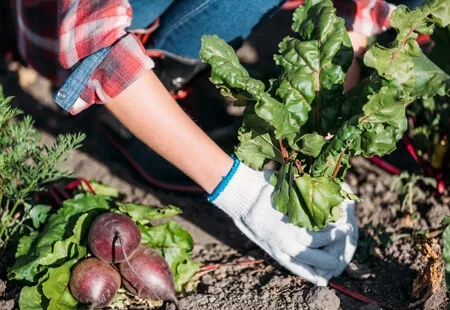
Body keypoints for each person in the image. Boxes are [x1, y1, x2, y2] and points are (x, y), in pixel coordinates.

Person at [6, 0, 404, 285]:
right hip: (65, 38)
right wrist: (242, 193)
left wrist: (323, 160)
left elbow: (355, 18)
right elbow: (93, 44)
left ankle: (177, 78)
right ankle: (137, 108)